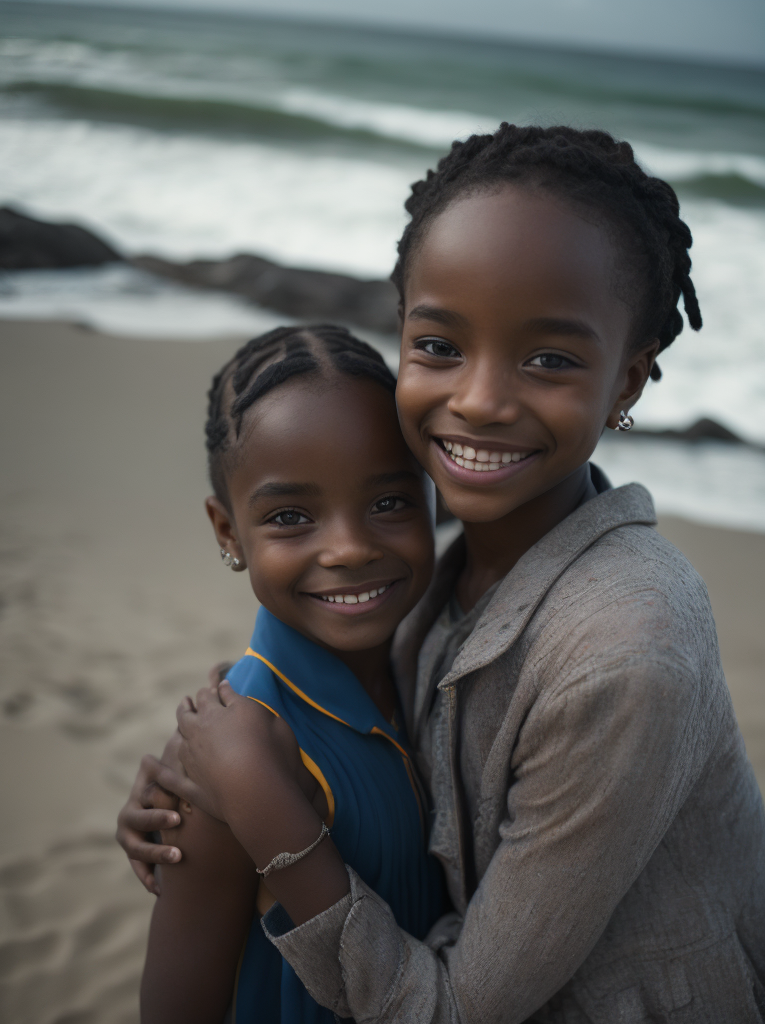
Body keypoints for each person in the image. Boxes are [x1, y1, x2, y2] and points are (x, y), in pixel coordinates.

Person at [119, 125, 765, 1021]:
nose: (481, 399)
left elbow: (452, 1012)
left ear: (627, 383)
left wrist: (268, 817)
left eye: (549, 360)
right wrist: (194, 776)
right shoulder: (443, 575)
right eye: (439, 346)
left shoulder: (625, 650)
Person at [136, 323, 444, 1023]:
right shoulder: (228, 761)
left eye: (390, 502)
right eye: (292, 516)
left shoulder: (434, 664)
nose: (349, 549)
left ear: (435, 494)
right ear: (227, 532)